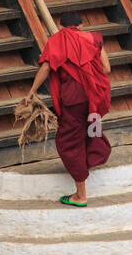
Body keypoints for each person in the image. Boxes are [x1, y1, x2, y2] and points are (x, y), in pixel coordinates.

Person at [24, 11, 112, 207]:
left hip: (74, 100)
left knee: (68, 142)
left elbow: (46, 67)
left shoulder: (58, 40)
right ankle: (91, 159)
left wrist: (31, 92)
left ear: (61, 26)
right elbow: (106, 69)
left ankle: (80, 195)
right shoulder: (95, 38)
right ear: (81, 25)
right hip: (94, 99)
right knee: (93, 130)